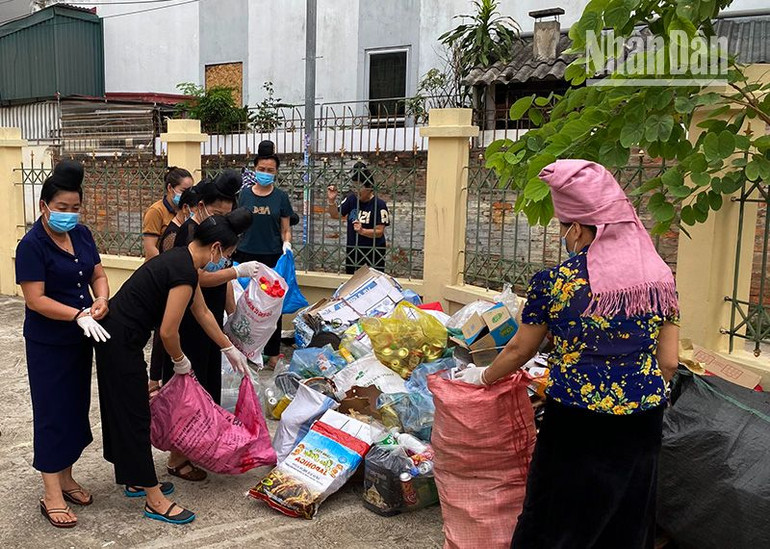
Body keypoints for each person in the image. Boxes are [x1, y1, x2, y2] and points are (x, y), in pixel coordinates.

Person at [456, 160, 680, 549]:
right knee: (627, 520)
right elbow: (670, 362)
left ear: (576, 228)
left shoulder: (557, 283)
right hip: (642, 420)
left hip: (576, 422)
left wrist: (483, 377)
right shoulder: (659, 280)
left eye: (562, 227)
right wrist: (634, 393)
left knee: (555, 520)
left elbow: (519, 349)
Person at [94, 209, 253, 525]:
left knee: (123, 408)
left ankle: (133, 477)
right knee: (135, 414)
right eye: (228, 256)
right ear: (217, 248)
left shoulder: (184, 261)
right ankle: (154, 499)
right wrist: (181, 362)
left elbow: (204, 313)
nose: (225, 264)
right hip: (120, 340)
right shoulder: (183, 272)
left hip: (118, 336)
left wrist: (228, 347)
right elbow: (168, 331)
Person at [16, 160, 111, 529]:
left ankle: (67, 476)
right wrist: (76, 314)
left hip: (82, 337)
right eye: (61, 208)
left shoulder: (83, 235)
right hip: (48, 343)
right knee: (52, 412)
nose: (68, 215)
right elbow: (35, 299)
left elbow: (98, 274)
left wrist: (101, 300)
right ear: (44, 207)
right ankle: (51, 492)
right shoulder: (32, 244)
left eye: (75, 208)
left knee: (75, 409)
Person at [164, 171, 259, 481]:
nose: (222, 221)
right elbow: (199, 279)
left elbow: (226, 277)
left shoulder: (221, 238)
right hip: (190, 321)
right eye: (218, 214)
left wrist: (235, 318)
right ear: (203, 206)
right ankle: (177, 459)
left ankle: (191, 449)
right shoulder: (192, 233)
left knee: (205, 389)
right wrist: (236, 273)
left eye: (227, 215)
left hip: (210, 319)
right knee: (190, 392)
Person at [235, 140, 294, 369]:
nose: (265, 174)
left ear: (276, 172)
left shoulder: (281, 198)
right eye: (261, 170)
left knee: (271, 308)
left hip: (271, 258)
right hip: (244, 255)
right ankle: (244, 349)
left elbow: (286, 228)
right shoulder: (244, 196)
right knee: (245, 306)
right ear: (255, 169)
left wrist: (287, 244)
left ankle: (272, 354)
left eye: (270, 171)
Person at [147, 185, 202, 395]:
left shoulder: (185, 229)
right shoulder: (173, 233)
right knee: (163, 335)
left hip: (174, 289)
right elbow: (170, 265)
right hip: (166, 291)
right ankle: (154, 380)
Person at [326, 162, 390, 274]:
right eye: (354, 186)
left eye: (359, 187)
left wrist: (362, 231)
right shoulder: (351, 200)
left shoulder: (379, 205)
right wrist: (331, 201)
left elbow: (379, 231)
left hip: (373, 252)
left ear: (369, 187)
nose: (356, 190)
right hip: (353, 251)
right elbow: (335, 215)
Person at [142, 167, 194, 260]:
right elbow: (150, 248)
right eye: (183, 191)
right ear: (170, 188)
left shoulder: (187, 210)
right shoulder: (156, 211)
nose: (186, 195)